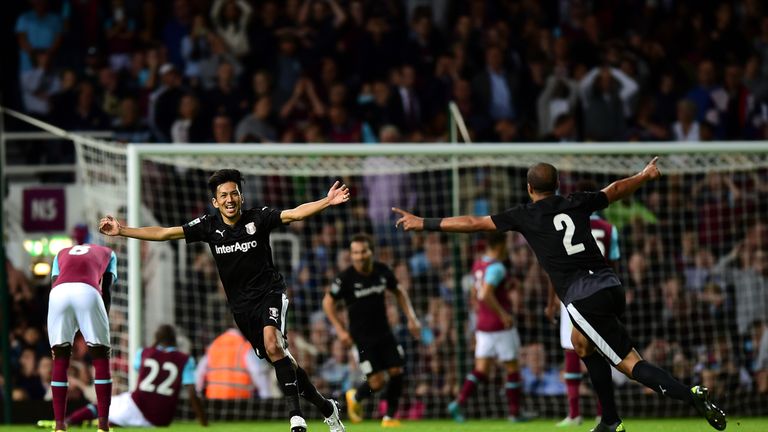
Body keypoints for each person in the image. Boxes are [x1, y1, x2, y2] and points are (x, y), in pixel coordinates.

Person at [392, 158, 727, 432]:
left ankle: (691, 395)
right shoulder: (576, 201)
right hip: (610, 285)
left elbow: (474, 222)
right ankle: (609, 420)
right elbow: (614, 190)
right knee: (582, 343)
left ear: (529, 188)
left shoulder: (525, 215)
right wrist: (643, 175)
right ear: (557, 185)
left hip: (583, 297)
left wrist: (424, 223)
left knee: (629, 364)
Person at [99, 169, 348, 432]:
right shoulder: (209, 225)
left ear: (241, 196)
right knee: (280, 358)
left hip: (271, 293)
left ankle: (296, 418)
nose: (230, 199)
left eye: (234, 193)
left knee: (274, 346)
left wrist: (326, 201)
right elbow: (164, 233)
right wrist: (122, 230)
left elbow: (295, 213)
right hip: (242, 308)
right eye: (223, 195)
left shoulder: (258, 218)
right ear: (215, 202)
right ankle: (326, 407)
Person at [322, 234, 421, 427]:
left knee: (397, 370)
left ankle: (390, 417)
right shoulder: (345, 278)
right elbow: (327, 302)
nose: (360, 256)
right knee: (377, 382)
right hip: (361, 338)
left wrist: (412, 318)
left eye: (363, 251)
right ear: (351, 255)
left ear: (371, 252)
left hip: (385, 332)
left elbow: (399, 291)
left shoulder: (382, 271)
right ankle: (355, 397)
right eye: (356, 253)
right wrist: (340, 331)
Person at [546, 179, 621, 427]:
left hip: (573, 292)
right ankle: (604, 412)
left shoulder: (568, 222)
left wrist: (550, 301)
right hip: (603, 290)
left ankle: (574, 413)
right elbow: (614, 263)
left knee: (572, 351)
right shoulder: (610, 229)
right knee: (601, 351)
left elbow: (555, 266)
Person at [447, 232, 527, 423]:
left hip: (483, 325)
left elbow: (475, 293)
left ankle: (459, 402)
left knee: (481, 369)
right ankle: (515, 413)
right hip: (500, 326)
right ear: (499, 245)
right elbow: (485, 294)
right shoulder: (497, 267)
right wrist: (503, 314)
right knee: (512, 367)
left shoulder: (478, 264)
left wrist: (479, 312)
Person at [58, 324, 207, 427]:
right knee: (117, 415)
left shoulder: (144, 353)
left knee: (101, 405)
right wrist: (203, 421)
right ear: (174, 340)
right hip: (163, 418)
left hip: (139, 406)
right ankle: (104, 422)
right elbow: (192, 392)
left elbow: (138, 368)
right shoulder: (186, 359)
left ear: (156, 338)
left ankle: (68, 421)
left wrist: (153, 346)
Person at [46, 244, 116, 432]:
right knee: (101, 360)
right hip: (88, 291)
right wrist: (102, 322)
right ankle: (103, 425)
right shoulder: (109, 253)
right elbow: (106, 290)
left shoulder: (60, 253)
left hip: (58, 295)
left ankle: (59, 425)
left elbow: (54, 282)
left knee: (60, 361)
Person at [195, 326, 279, 399]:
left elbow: (199, 372)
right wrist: (266, 395)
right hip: (239, 400)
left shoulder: (214, 346)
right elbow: (257, 372)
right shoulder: (244, 347)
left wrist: (198, 393)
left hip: (214, 399)